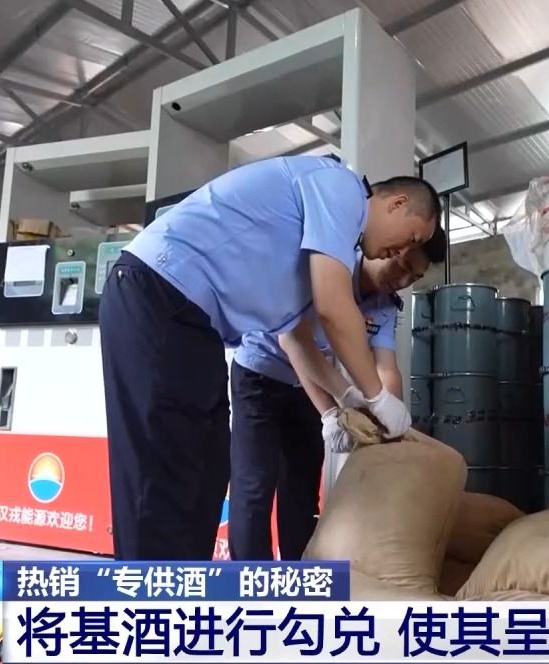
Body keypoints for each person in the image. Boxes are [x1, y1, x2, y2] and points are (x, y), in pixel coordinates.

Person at [100, 155, 441, 561]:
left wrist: (344, 400)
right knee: (167, 472)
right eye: (412, 238)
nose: (404, 252)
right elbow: (333, 309)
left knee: (207, 467)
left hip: (193, 323)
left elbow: (296, 338)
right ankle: (148, 596)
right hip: (159, 294)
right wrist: (377, 397)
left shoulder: (326, 247)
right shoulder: (341, 188)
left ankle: (186, 588)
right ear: (397, 204)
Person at [229, 240, 444, 560]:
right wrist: (331, 411)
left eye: (413, 277)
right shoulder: (330, 266)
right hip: (260, 374)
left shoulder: (384, 304)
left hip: (309, 385)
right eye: (401, 266)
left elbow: (385, 368)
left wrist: (394, 427)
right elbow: (293, 342)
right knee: (255, 486)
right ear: (389, 247)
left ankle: (298, 578)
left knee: (302, 489)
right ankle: (249, 583)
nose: (402, 280)